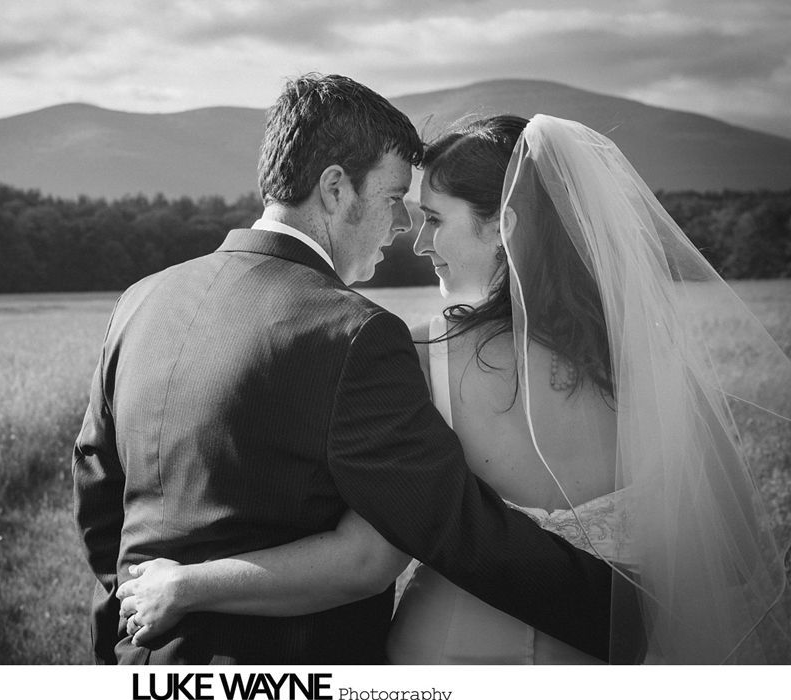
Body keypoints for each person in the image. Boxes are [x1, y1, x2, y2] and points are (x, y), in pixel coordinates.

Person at [116, 114, 791, 664]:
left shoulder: (420, 353)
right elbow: (736, 555)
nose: (421, 241)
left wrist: (186, 583)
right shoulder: (651, 360)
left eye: (437, 218)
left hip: (447, 658)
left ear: (504, 225)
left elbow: (366, 559)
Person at [73, 76, 623, 665]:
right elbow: (449, 526)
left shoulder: (140, 301)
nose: (401, 228)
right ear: (335, 188)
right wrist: (634, 621)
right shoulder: (354, 333)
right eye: (392, 200)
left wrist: (137, 611)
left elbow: (98, 493)